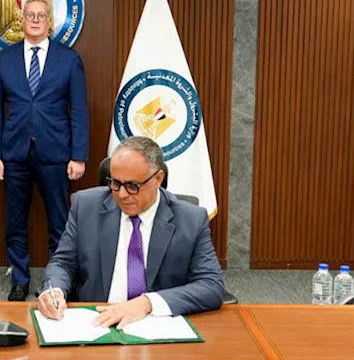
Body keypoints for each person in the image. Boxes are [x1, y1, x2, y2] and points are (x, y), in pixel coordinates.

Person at [37, 136, 224, 327]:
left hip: (157, 324)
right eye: (115, 183)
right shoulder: (86, 207)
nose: (122, 194)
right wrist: (54, 290)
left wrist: (147, 303)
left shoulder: (190, 219)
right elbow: (63, 263)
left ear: (158, 179)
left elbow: (211, 285)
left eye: (132, 186)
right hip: (96, 321)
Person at [0, 0, 89, 301]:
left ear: (49, 22)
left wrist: (79, 156)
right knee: (15, 223)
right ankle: (20, 280)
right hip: (13, 155)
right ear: (21, 20)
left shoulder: (69, 59)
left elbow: (79, 111)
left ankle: (58, 282)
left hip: (56, 154)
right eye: (29, 14)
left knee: (60, 224)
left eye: (41, 15)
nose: (34, 20)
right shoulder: (4, 60)